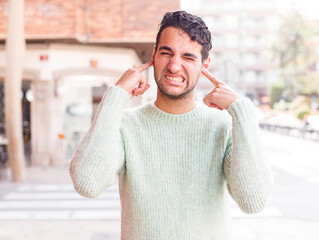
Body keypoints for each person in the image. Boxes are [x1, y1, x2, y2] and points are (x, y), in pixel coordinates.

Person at [69, 10, 273, 240]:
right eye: (167, 53)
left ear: (205, 64)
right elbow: (88, 183)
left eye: (188, 57)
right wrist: (114, 98)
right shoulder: (126, 125)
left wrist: (242, 112)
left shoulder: (222, 126)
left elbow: (253, 201)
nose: (174, 66)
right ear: (154, 55)